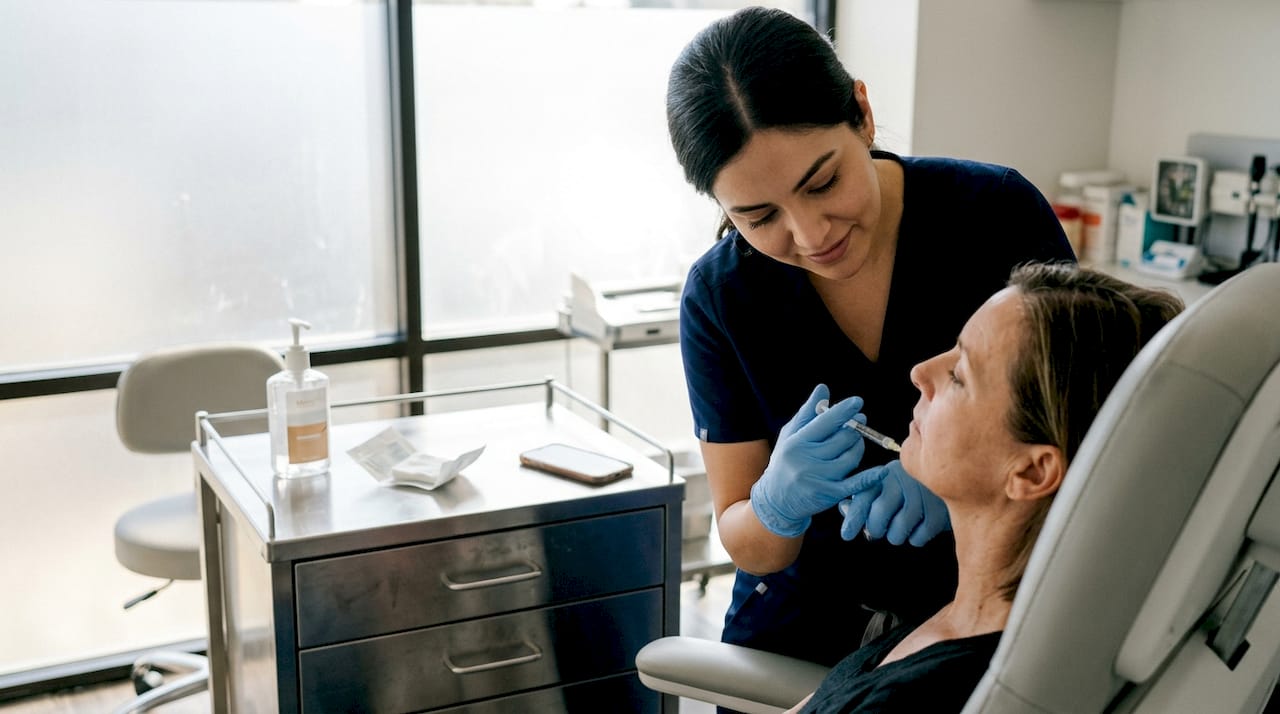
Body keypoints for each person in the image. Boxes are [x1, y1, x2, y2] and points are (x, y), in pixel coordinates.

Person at [667, 6, 1077, 667]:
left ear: (862, 112)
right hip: (796, 633)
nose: (810, 234)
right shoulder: (723, 297)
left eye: (822, 182)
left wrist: (962, 489)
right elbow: (745, 536)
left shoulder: (995, 216)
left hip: (971, 619)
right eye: (759, 215)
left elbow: (1090, 432)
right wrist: (775, 505)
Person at [785, 262, 1185, 712]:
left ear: (1031, 473)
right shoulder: (968, 611)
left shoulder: (933, 694)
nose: (920, 372)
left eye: (959, 374)